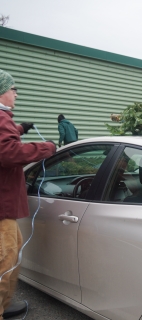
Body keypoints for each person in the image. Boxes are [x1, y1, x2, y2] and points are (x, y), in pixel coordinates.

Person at [0, 69, 56, 320]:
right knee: (5, 260)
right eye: (13, 89)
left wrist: (20, 128)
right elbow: (8, 153)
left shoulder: (4, 119)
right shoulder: (1, 119)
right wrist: (47, 148)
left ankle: (5, 302)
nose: (16, 94)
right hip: (2, 207)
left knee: (13, 253)